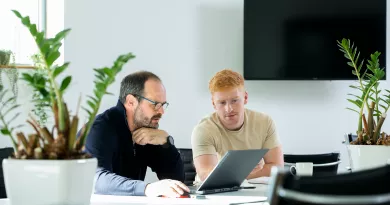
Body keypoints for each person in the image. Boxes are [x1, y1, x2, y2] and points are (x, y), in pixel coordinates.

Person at [85, 71, 189, 198]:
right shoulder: (99, 128)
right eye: (155, 104)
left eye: (163, 105)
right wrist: (147, 188)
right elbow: (96, 180)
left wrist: (166, 143)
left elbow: (176, 179)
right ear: (131, 102)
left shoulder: (147, 130)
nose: (161, 111)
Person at [191, 69, 284, 183]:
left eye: (234, 101)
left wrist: (235, 174)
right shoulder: (203, 129)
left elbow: (277, 168)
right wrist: (250, 173)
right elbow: (206, 176)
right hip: (213, 192)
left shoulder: (264, 122)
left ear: (245, 98)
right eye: (222, 102)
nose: (229, 109)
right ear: (213, 103)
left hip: (255, 187)